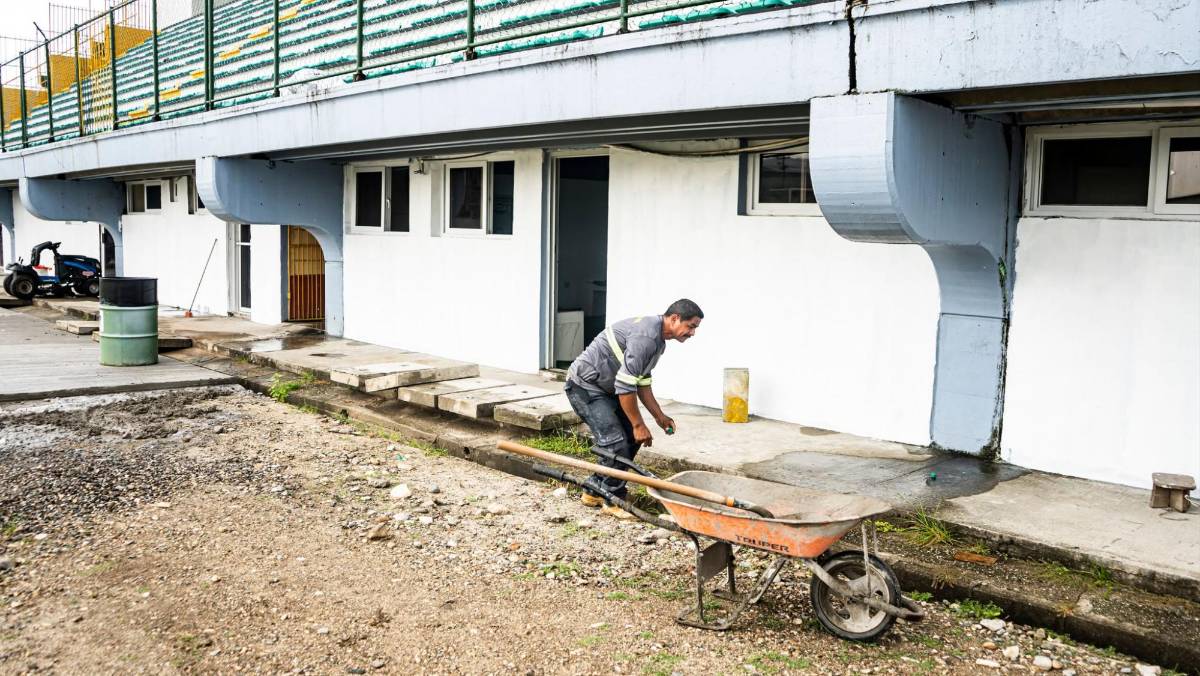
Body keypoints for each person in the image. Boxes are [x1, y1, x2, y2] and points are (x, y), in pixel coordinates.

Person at [564, 299, 703, 519]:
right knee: (615, 441)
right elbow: (625, 386)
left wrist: (659, 416)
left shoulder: (658, 341)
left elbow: (641, 381)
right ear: (675, 318)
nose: (693, 333)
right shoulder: (646, 337)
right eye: (691, 326)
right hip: (585, 386)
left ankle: (593, 490)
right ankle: (613, 498)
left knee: (630, 438)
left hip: (606, 388)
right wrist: (639, 424)